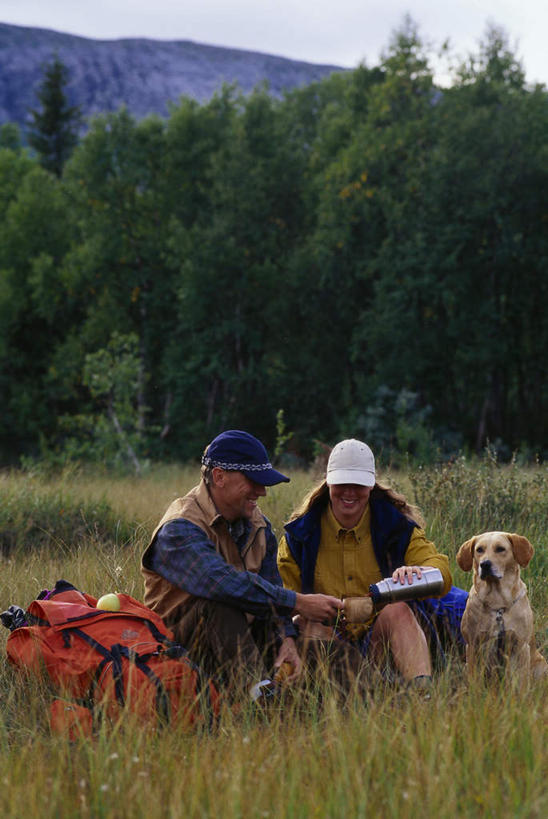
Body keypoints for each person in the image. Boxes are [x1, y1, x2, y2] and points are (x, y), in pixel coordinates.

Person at [141, 429, 342, 697]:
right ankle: (258, 700)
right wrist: (299, 602)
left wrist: (286, 639)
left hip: (239, 640)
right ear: (219, 477)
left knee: (311, 645)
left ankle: (370, 696)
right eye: (253, 480)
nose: (262, 492)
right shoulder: (179, 528)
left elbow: (270, 591)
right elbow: (222, 584)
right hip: (178, 652)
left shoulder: (259, 525)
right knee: (220, 602)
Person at [278, 438, 467, 693]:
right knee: (305, 623)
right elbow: (281, 601)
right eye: (342, 482)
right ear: (328, 482)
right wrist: (309, 607)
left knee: (397, 610)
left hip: (380, 641)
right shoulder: (299, 536)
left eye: (358, 484)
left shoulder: (396, 527)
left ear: (371, 485)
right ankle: (356, 693)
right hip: (326, 645)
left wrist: (417, 573)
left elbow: (442, 574)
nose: (349, 491)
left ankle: (423, 695)